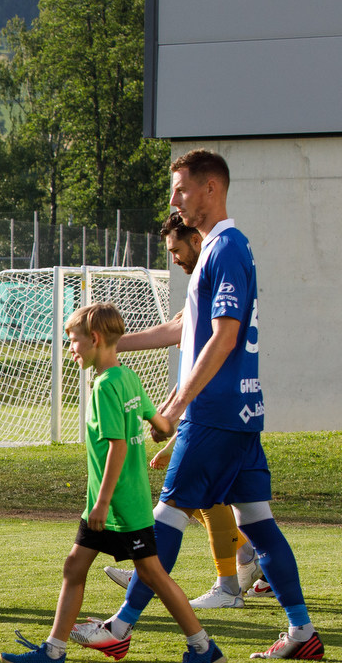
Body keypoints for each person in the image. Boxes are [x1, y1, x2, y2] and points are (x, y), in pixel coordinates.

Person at [75, 149, 323, 662]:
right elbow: (187, 328)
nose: (174, 200)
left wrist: (180, 401)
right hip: (241, 413)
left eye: (181, 189)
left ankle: (120, 626)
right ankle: (302, 632)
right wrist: (118, 345)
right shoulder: (217, 249)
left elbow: (225, 337)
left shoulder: (226, 247)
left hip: (216, 413)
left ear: (211, 189)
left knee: (163, 517)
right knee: (257, 521)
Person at [1, 303, 227, 663]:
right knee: (75, 566)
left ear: (94, 339)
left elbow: (118, 448)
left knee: (153, 575)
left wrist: (102, 504)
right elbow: (161, 423)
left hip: (119, 505)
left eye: (72, 341)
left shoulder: (105, 387)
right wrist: (161, 428)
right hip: (118, 501)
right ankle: (53, 652)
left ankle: (203, 648)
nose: (70, 349)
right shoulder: (127, 378)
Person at [101, 211, 263, 609]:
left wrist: (172, 414)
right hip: (222, 411)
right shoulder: (210, 272)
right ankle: (271, 590)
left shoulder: (221, 257)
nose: (173, 258)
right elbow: (186, 349)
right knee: (245, 514)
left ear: (195, 238)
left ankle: (138, 611)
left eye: (175, 249)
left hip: (217, 410)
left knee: (180, 505)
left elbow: (207, 347)